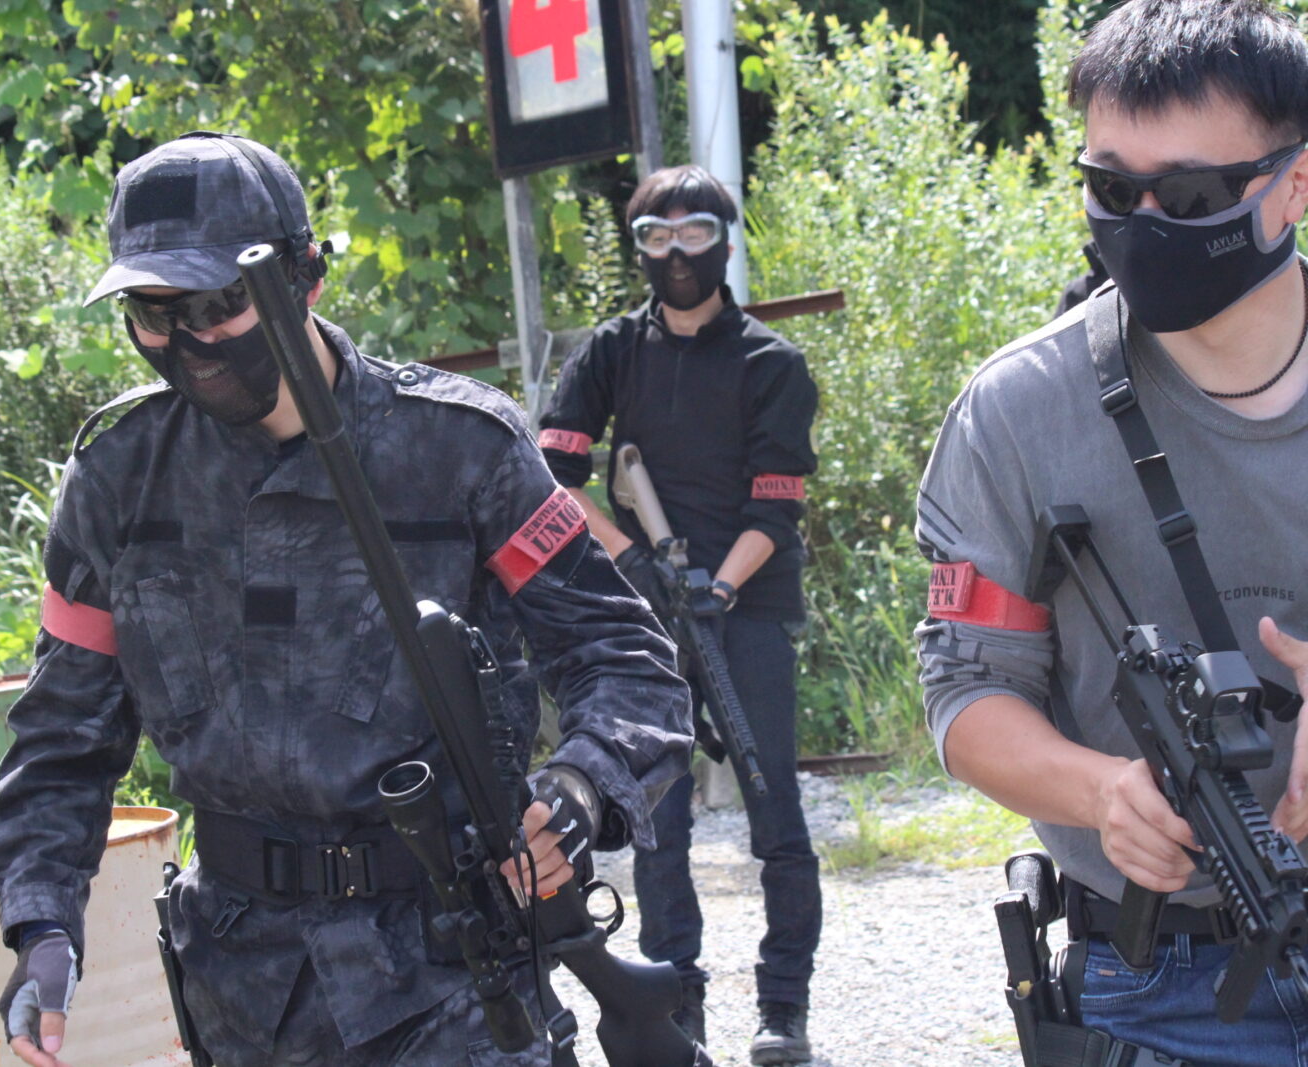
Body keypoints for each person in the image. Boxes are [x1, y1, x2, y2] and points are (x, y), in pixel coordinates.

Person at [0, 131, 694, 1067]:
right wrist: (41, 927)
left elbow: (624, 659)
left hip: (450, 975)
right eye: (154, 314)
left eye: (218, 306)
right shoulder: (119, 480)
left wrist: (578, 787)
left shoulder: (459, 449)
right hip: (241, 995)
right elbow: (62, 738)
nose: (189, 342)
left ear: (305, 277)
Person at [916, 3, 1308, 1064]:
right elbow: (966, 692)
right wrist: (1103, 792)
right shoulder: (1019, 411)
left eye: (1189, 195)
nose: (1142, 221)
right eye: (1109, 188)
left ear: (1295, 184)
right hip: (1159, 978)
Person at [538, 164, 821, 1065]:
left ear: (725, 241)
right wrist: (629, 559)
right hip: (649, 615)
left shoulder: (772, 364)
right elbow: (552, 475)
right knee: (659, 823)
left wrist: (718, 587)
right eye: (656, 239)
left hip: (747, 606)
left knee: (776, 815)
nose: (677, 254)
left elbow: (776, 510)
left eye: (694, 233)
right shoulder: (613, 350)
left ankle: (783, 1008)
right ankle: (674, 1003)